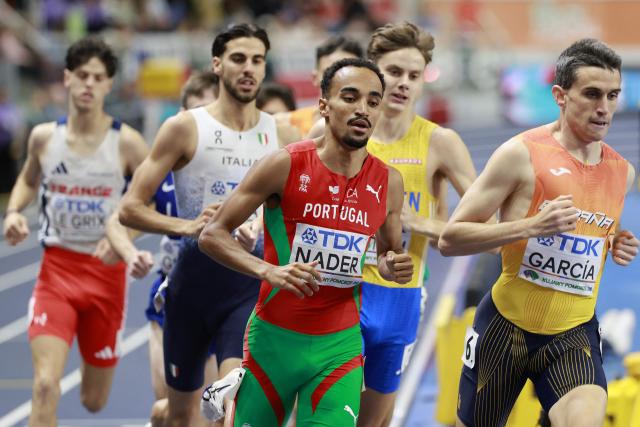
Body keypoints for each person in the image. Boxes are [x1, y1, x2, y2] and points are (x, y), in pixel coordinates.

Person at [199, 57, 414, 426]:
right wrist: (269, 270)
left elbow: (386, 254)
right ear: (324, 106)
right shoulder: (283, 165)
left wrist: (392, 265)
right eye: (350, 97)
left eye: (373, 101)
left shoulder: (389, 183)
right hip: (274, 341)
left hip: (340, 345)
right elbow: (212, 234)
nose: (363, 109)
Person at [438, 38, 640, 427]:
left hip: (572, 333)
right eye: (592, 94)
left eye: (613, 95)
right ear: (560, 96)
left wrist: (614, 242)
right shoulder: (520, 154)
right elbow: (451, 238)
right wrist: (529, 226)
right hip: (503, 328)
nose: (605, 108)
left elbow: (584, 233)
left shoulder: (622, 173)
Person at [117, 23, 297, 427]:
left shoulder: (281, 134)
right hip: (192, 287)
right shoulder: (185, 127)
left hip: (247, 288)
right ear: (217, 64)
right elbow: (129, 208)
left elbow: (294, 213)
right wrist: (187, 226)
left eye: (257, 60)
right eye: (238, 59)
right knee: (182, 415)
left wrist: (264, 228)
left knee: (231, 409)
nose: (248, 68)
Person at [2, 36, 151, 426]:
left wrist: (124, 242)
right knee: (45, 385)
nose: (88, 83)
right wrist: (15, 211)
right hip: (57, 273)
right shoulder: (44, 137)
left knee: (93, 401)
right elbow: (28, 181)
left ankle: (92, 357)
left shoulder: (129, 144)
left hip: (106, 279)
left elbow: (150, 203)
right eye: (81, 75)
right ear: (67, 78)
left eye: (97, 77)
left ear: (109, 85)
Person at [108, 70, 221, 422]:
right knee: (175, 410)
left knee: (214, 412)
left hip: (228, 299)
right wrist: (130, 253)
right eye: (195, 112)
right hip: (172, 298)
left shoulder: (243, 170)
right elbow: (119, 218)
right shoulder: (166, 174)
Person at [275, 35, 364, 137]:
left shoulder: (372, 130)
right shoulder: (285, 124)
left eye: (347, 72)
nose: (338, 79)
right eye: (329, 72)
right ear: (315, 78)